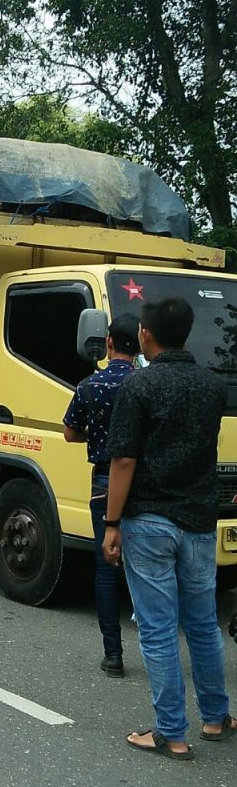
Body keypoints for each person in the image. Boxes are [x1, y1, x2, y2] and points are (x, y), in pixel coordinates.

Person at [103, 296, 236, 760]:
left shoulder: (139, 388)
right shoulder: (212, 386)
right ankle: (217, 717)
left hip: (149, 520)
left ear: (145, 334)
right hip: (199, 519)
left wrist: (112, 523)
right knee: (203, 625)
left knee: (158, 630)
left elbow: (123, 460)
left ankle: (171, 732)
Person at [63, 313, 140, 678]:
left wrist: (96, 437)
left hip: (104, 485)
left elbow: (69, 433)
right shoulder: (145, 384)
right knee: (147, 567)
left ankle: (113, 654)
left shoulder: (89, 386)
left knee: (107, 568)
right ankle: (158, 650)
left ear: (108, 342)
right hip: (143, 484)